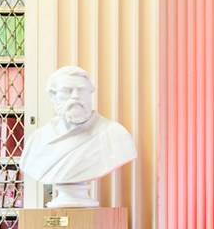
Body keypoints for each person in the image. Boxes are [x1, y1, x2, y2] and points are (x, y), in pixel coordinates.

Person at [21, 66, 137, 208]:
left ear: (90, 93)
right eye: (66, 91)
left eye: (81, 90)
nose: (75, 96)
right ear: (53, 96)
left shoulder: (115, 135)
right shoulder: (37, 141)